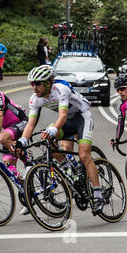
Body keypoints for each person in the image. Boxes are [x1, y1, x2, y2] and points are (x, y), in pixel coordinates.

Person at [15, 65, 105, 215]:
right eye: (32, 84)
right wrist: (22, 140)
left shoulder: (61, 89)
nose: (34, 87)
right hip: (68, 121)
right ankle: (67, 167)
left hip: (82, 118)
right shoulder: (34, 99)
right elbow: (31, 123)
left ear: (48, 83)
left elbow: (62, 115)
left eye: (38, 83)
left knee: (84, 156)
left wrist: (53, 129)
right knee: (47, 138)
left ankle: (97, 195)